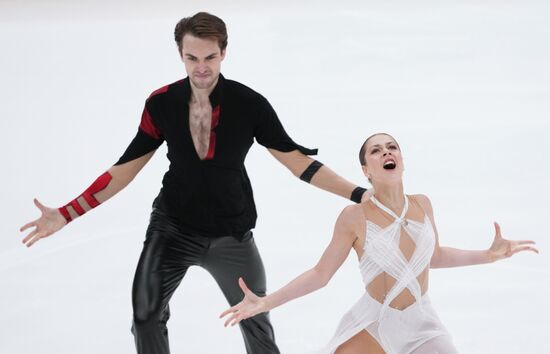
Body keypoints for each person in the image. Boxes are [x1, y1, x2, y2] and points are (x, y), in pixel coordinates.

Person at [18, 12, 371, 354]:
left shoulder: (250, 104)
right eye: (191, 58)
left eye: (210, 57)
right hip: (172, 228)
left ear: (224, 53)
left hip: (232, 235)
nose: (201, 67)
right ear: (180, 55)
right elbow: (124, 169)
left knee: (256, 318)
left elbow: (298, 163)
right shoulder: (161, 103)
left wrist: (359, 193)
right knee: (145, 317)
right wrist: (66, 213)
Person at [220, 133, 539, 354]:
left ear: (402, 159)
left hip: (421, 322)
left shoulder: (423, 205)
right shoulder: (354, 217)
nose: (386, 152)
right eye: (376, 150)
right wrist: (265, 302)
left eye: (392, 147)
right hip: (375, 322)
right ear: (366, 170)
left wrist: (488, 255)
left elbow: (435, 255)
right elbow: (320, 274)